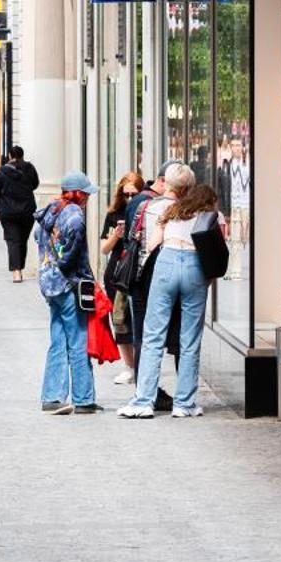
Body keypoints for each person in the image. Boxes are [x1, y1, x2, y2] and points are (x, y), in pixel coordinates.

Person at [118, 166, 215, 419]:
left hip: (167, 262)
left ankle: (143, 402)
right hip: (194, 266)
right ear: (189, 187)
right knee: (189, 339)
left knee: (152, 337)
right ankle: (184, 403)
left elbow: (150, 245)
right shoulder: (204, 211)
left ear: (167, 183)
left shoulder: (159, 208)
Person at [35, 173, 99, 415]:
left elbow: (38, 239)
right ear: (78, 194)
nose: (89, 198)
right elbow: (70, 257)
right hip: (69, 284)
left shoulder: (50, 211)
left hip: (50, 283)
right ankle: (83, 398)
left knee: (58, 339)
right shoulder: (74, 216)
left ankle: (53, 396)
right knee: (78, 339)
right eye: (86, 193)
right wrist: (89, 281)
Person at [98, 170, 148, 384]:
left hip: (139, 273)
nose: (129, 199)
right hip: (118, 273)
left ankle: (141, 366)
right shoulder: (114, 214)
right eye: (125, 194)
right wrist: (116, 236)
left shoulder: (147, 211)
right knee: (120, 321)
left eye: (133, 194)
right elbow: (103, 249)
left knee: (140, 321)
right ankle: (129, 366)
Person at [0, 145, 42, 282]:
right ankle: (20, 267)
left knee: (13, 240)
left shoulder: (1, 172)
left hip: (8, 211)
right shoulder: (29, 168)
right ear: (22, 155)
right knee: (22, 240)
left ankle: (16, 271)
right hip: (27, 209)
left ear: (10, 156)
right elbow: (35, 184)